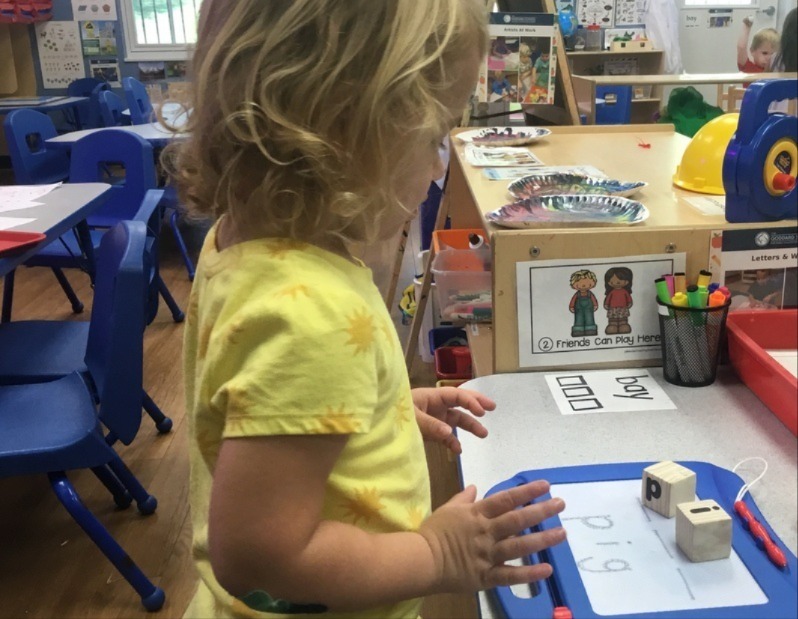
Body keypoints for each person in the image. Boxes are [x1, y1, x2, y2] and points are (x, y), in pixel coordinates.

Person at [169, 1, 567, 618]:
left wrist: (378, 410)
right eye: (432, 139)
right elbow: (257, 557)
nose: (438, 167)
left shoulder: (245, 245)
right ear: (347, 132)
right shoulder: (311, 314)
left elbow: (257, 403)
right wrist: (436, 554)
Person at [603, 266, 634, 335]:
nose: (617, 283)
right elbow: (608, 299)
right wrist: (606, 304)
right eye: (614, 281)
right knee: (613, 320)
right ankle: (612, 326)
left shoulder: (625, 291)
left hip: (623, 308)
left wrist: (629, 303)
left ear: (626, 282)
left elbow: (628, 298)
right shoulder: (612, 292)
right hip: (613, 309)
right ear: (609, 283)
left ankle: (623, 325)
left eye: (620, 280)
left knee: (623, 319)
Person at [568, 269, 599, 337]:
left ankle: (590, 329)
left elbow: (594, 299)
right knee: (578, 318)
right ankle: (578, 329)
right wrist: (571, 306)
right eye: (580, 283)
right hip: (578, 309)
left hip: (589, 308)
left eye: (588, 283)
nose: (584, 285)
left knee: (589, 317)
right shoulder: (577, 294)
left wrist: (595, 305)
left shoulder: (590, 294)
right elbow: (573, 300)